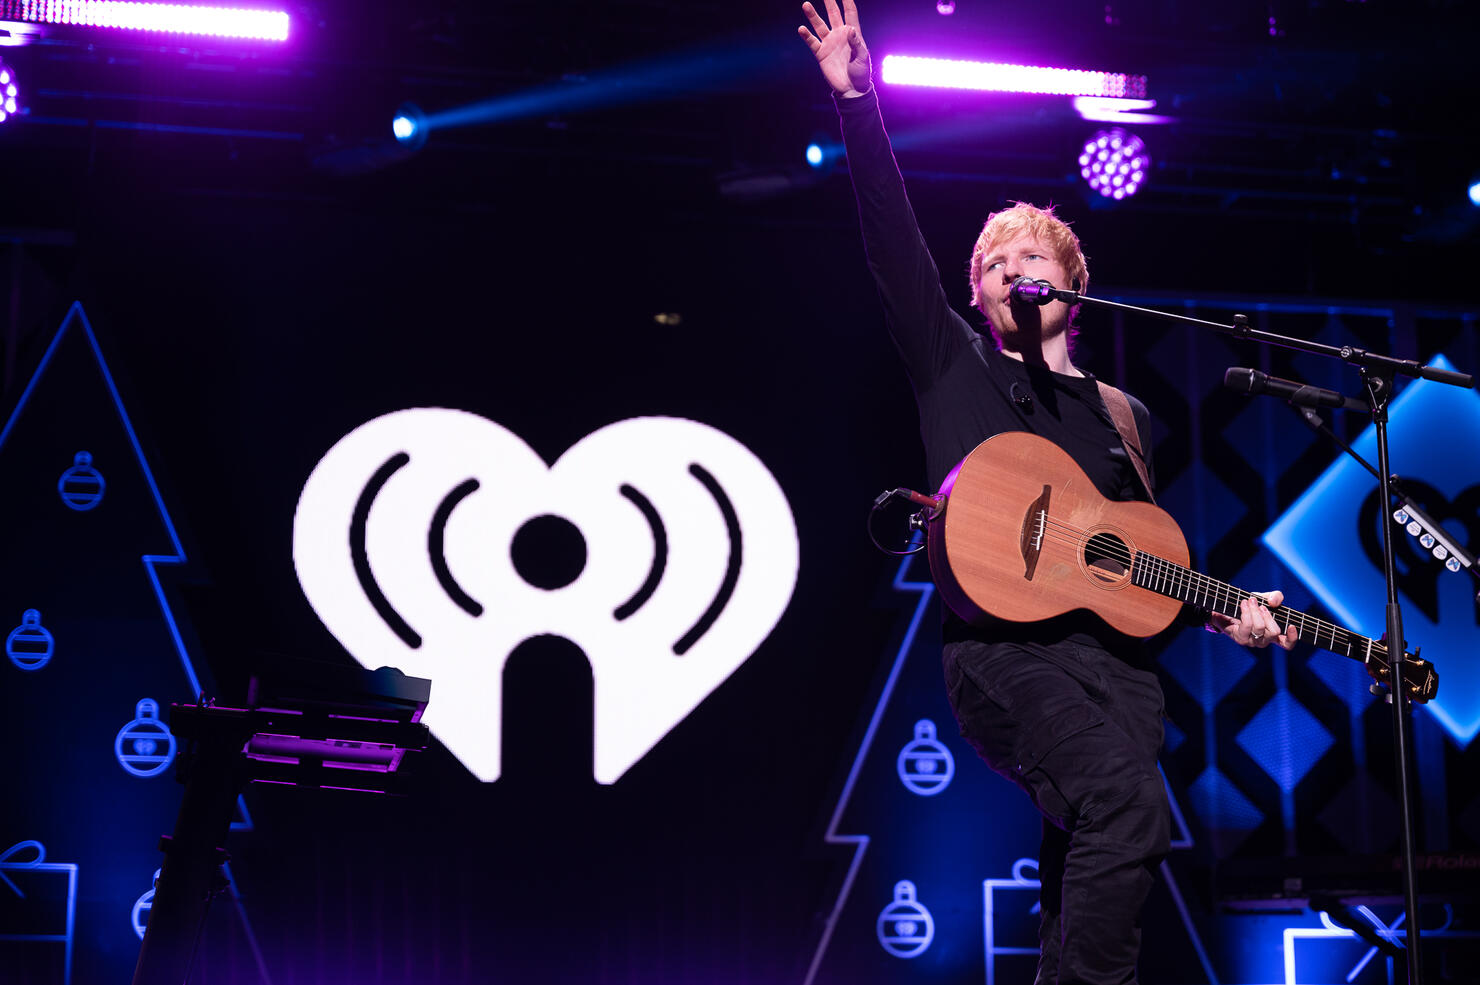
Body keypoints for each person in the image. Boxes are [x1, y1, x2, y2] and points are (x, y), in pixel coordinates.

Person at [797, 3, 1298, 982]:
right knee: (1127, 807)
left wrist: (1223, 612)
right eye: (988, 265)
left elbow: (1129, 564)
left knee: (1085, 858)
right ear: (977, 297)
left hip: (1116, 671)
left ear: (1071, 283)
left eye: (1026, 257)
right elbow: (892, 245)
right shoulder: (954, 368)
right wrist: (859, 103)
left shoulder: (1122, 415)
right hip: (1003, 653)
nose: (1003, 268)